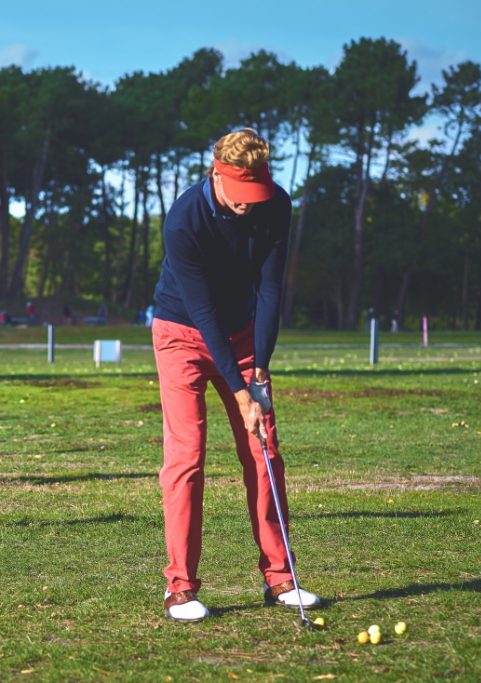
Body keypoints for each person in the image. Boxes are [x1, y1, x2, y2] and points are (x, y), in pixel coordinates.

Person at [151, 129, 320, 622]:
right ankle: (180, 588)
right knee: (186, 457)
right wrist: (240, 389)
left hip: (245, 336)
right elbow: (203, 313)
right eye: (239, 194)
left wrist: (259, 373)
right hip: (182, 332)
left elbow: (270, 290)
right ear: (216, 174)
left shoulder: (274, 204)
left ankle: (281, 577)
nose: (248, 205)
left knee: (264, 448)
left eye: (256, 193)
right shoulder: (185, 219)